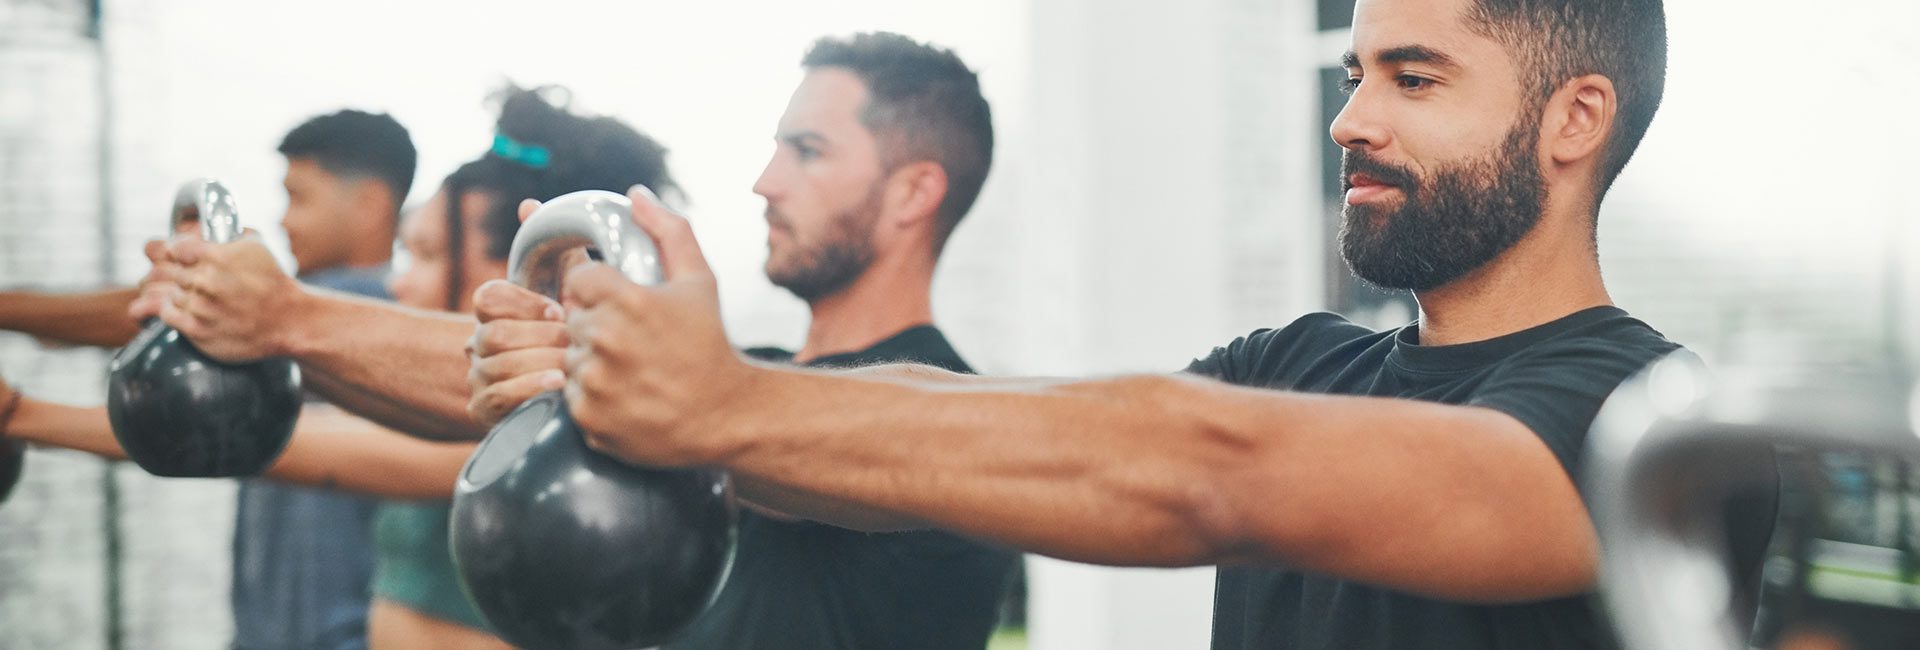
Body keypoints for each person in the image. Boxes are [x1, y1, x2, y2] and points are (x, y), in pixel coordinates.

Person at [466, 1, 1772, 649]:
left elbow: (1206, 472)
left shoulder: (1656, 428)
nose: (1348, 118)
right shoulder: (1304, 364)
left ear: (1575, 121)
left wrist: (726, 407)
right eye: (1354, 71)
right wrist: (648, 388)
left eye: (1411, 78)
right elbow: (1010, 429)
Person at [140, 33, 1020, 649]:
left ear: (914, 193)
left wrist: (292, 317)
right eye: (771, 149)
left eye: (807, 151)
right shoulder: (745, 388)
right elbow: (521, 388)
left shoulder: (933, 424)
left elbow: (733, 424)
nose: (763, 182)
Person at [2, 87, 678, 649]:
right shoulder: (426, 384)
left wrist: (25, 414)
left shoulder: (544, 439)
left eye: (428, 256)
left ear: (535, 275)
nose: (402, 284)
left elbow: (292, 444)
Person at [0, 108, 415, 650]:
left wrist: (19, 405)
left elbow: (172, 320)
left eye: (299, 198)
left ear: (368, 206)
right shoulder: (313, 315)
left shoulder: (361, 308)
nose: (285, 221)